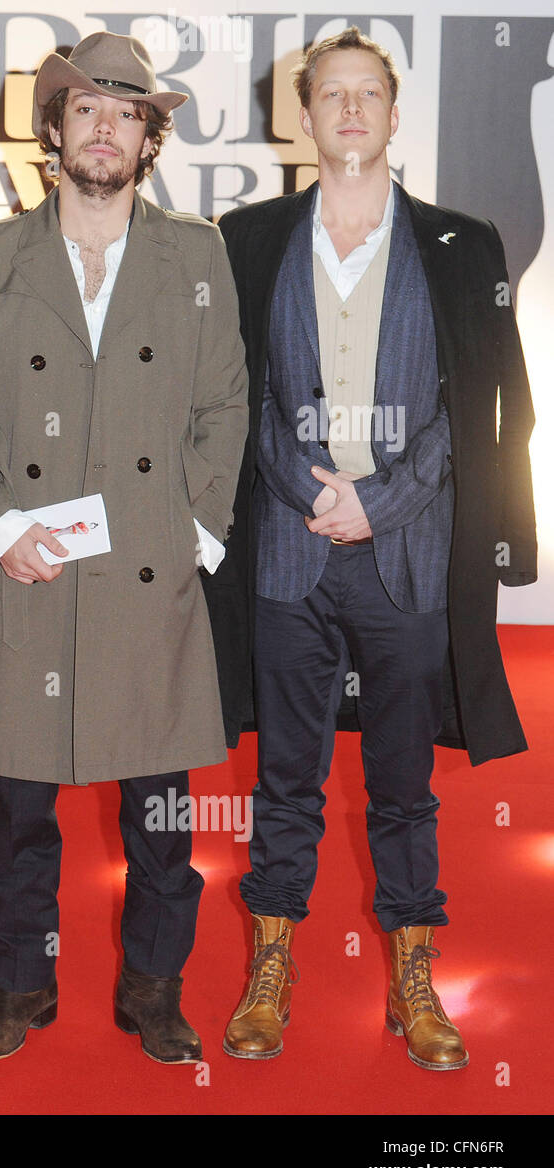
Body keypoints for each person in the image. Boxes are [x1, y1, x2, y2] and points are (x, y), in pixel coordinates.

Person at [217, 26, 537, 1070]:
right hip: (285, 544)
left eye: (368, 94)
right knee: (286, 775)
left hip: (405, 553)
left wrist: (384, 499)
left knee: (403, 780)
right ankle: (272, 963)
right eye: (330, 95)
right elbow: (239, 395)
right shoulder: (248, 238)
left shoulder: (460, 243)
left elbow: (478, 405)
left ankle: (412, 971)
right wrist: (301, 485)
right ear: (302, 117)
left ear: (393, 116)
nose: (349, 110)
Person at [0, 32, 248, 1065]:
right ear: (55, 130)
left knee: (162, 818)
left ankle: (152, 988)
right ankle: (23, 987)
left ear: (149, 137)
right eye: (87, 110)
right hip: (31, 569)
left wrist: (194, 535)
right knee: (20, 813)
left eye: (127, 113)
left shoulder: (195, 253)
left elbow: (224, 406)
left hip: (150, 576)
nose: (106, 128)